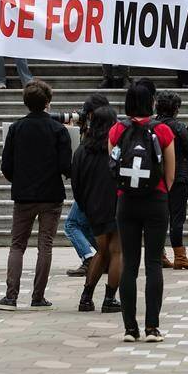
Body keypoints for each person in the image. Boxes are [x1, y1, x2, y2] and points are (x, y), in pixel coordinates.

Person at [0, 79, 73, 311]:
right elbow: (66, 167)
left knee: (17, 245)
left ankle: (11, 296)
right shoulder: (59, 130)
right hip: (51, 195)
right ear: (48, 103)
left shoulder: (16, 129)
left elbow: (6, 166)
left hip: (23, 195)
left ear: (25, 102)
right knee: (45, 245)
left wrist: (18, 180)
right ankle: (38, 296)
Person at [110, 82, 176, 341]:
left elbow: (113, 167)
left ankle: (129, 328)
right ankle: (152, 327)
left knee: (129, 264)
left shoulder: (117, 129)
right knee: (153, 265)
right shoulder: (162, 130)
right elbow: (169, 173)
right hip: (156, 200)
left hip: (125, 201)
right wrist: (161, 192)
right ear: (151, 102)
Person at [74, 105, 123, 313]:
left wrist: (85, 205)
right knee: (117, 251)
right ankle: (110, 298)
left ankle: (86, 297)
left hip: (93, 207)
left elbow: (76, 182)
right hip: (115, 204)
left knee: (101, 251)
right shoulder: (117, 148)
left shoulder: (82, 149)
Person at [154, 91, 188, 271]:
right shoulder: (177, 126)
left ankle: (158, 254)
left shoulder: (152, 125)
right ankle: (180, 257)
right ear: (176, 109)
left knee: (159, 217)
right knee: (177, 218)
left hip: (155, 177)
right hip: (178, 177)